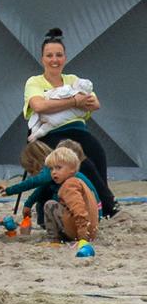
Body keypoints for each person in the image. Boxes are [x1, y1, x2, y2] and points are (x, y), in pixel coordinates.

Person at [23, 30, 118, 217]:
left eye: (59, 55)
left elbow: (94, 103)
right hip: (51, 133)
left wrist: (57, 105)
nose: (54, 60)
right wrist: (74, 102)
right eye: (49, 55)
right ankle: (107, 204)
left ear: (65, 58)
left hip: (78, 129)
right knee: (81, 162)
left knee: (97, 152)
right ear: (42, 59)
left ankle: (98, 202)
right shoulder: (34, 82)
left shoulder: (73, 80)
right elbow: (39, 105)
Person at [39, 146, 99, 244]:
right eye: (51, 169)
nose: (54, 172)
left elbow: (79, 210)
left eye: (58, 168)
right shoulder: (78, 181)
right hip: (91, 230)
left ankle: (54, 240)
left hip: (81, 232)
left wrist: (82, 237)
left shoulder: (69, 185)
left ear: (72, 169)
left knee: (50, 205)